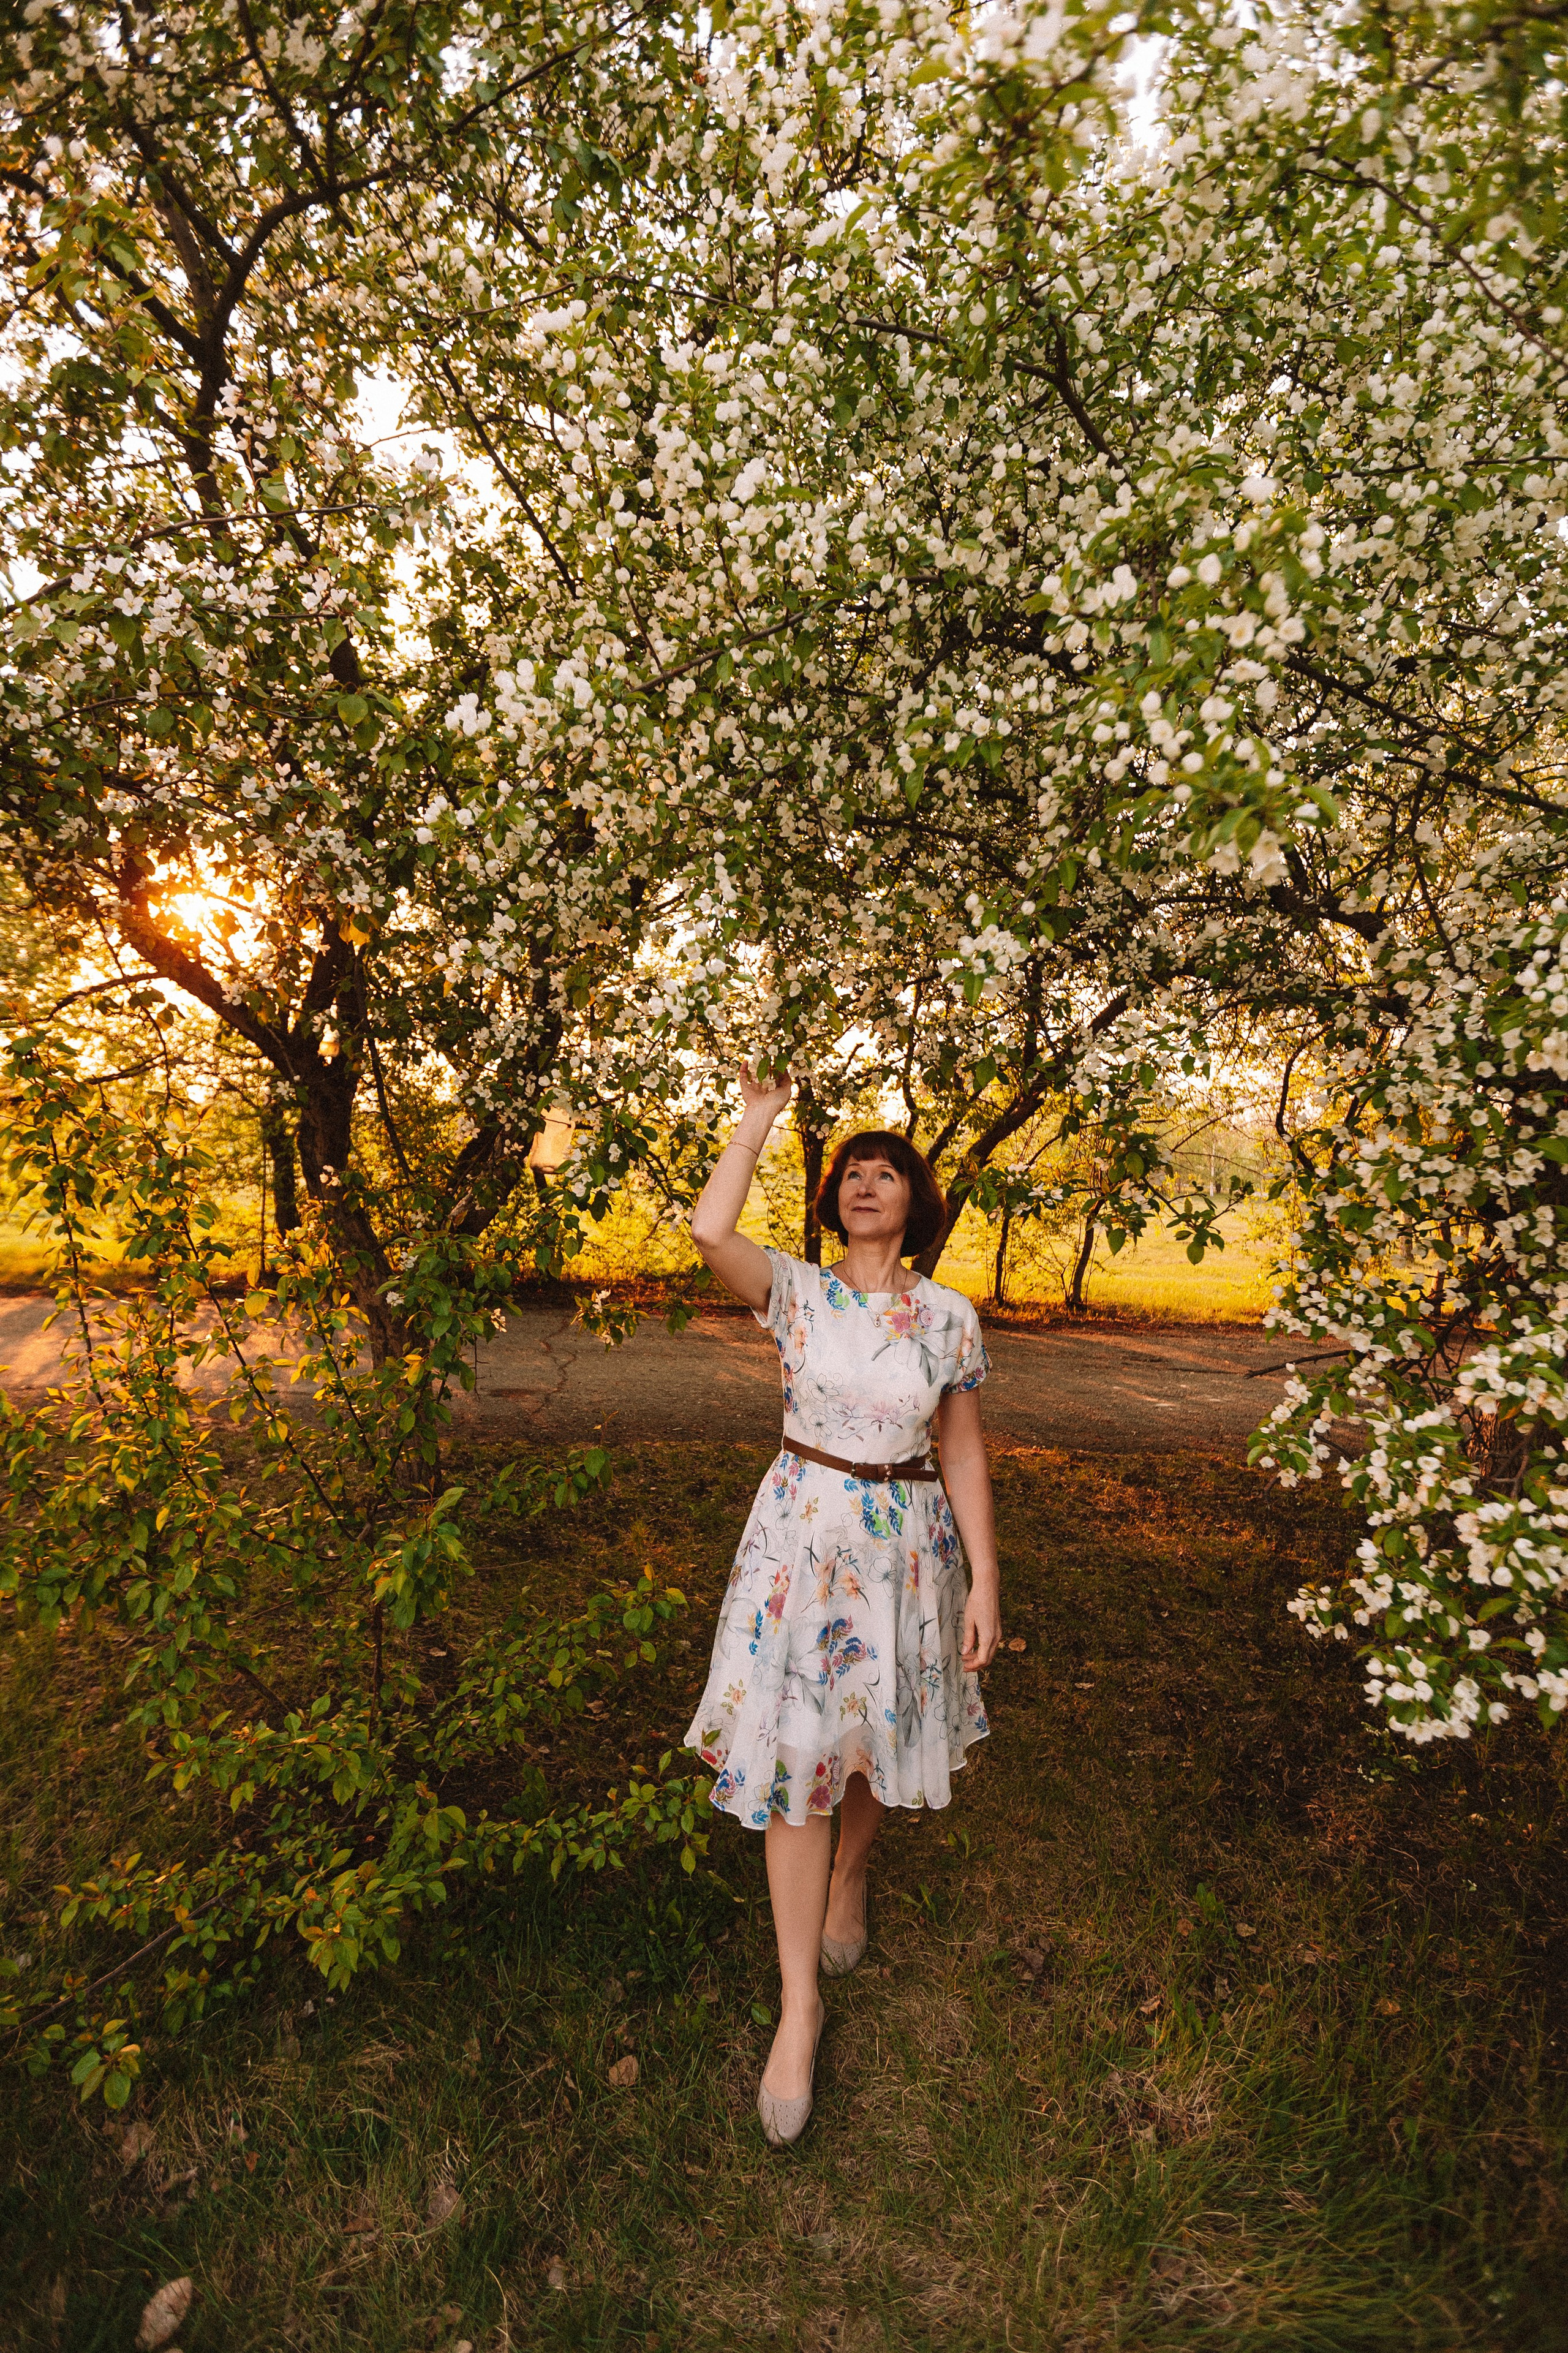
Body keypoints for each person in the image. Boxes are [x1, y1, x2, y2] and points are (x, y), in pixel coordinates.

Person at [685, 1063, 1003, 2148]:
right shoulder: (797, 1292)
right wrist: (756, 1123)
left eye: (888, 1171)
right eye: (853, 1173)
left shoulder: (949, 1316)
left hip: (907, 1556)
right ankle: (797, 2008)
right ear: (834, 1202)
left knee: (871, 1746)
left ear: (915, 1202)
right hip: (803, 1545)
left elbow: (961, 1450)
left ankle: (850, 1880)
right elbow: (706, 1231)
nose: (868, 1182)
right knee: (799, 1759)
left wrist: (988, 1584)